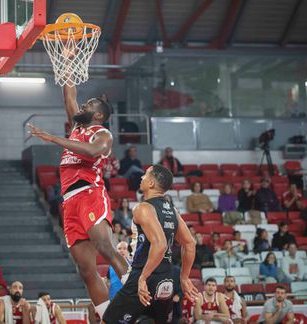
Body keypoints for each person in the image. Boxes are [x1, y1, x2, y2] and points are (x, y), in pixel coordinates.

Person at [28, 85, 128, 319]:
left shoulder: (102, 134)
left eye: (89, 105)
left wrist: (53, 138)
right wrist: (67, 65)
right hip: (70, 202)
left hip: (89, 194)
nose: (82, 106)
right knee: (86, 269)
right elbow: (69, 96)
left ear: (99, 115)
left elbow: (93, 152)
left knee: (105, 247)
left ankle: (137, 293)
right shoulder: (77, 126)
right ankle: (110, 317)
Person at [102, 165, 199, 324]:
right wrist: (184, 277)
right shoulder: (172, 211)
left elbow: (159, 244)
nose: (141, 178)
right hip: (166, 279)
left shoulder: (143, 208)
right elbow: (190, 243)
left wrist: (143, 277)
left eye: (145, 175)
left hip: (145, 275)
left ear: (152, 183)